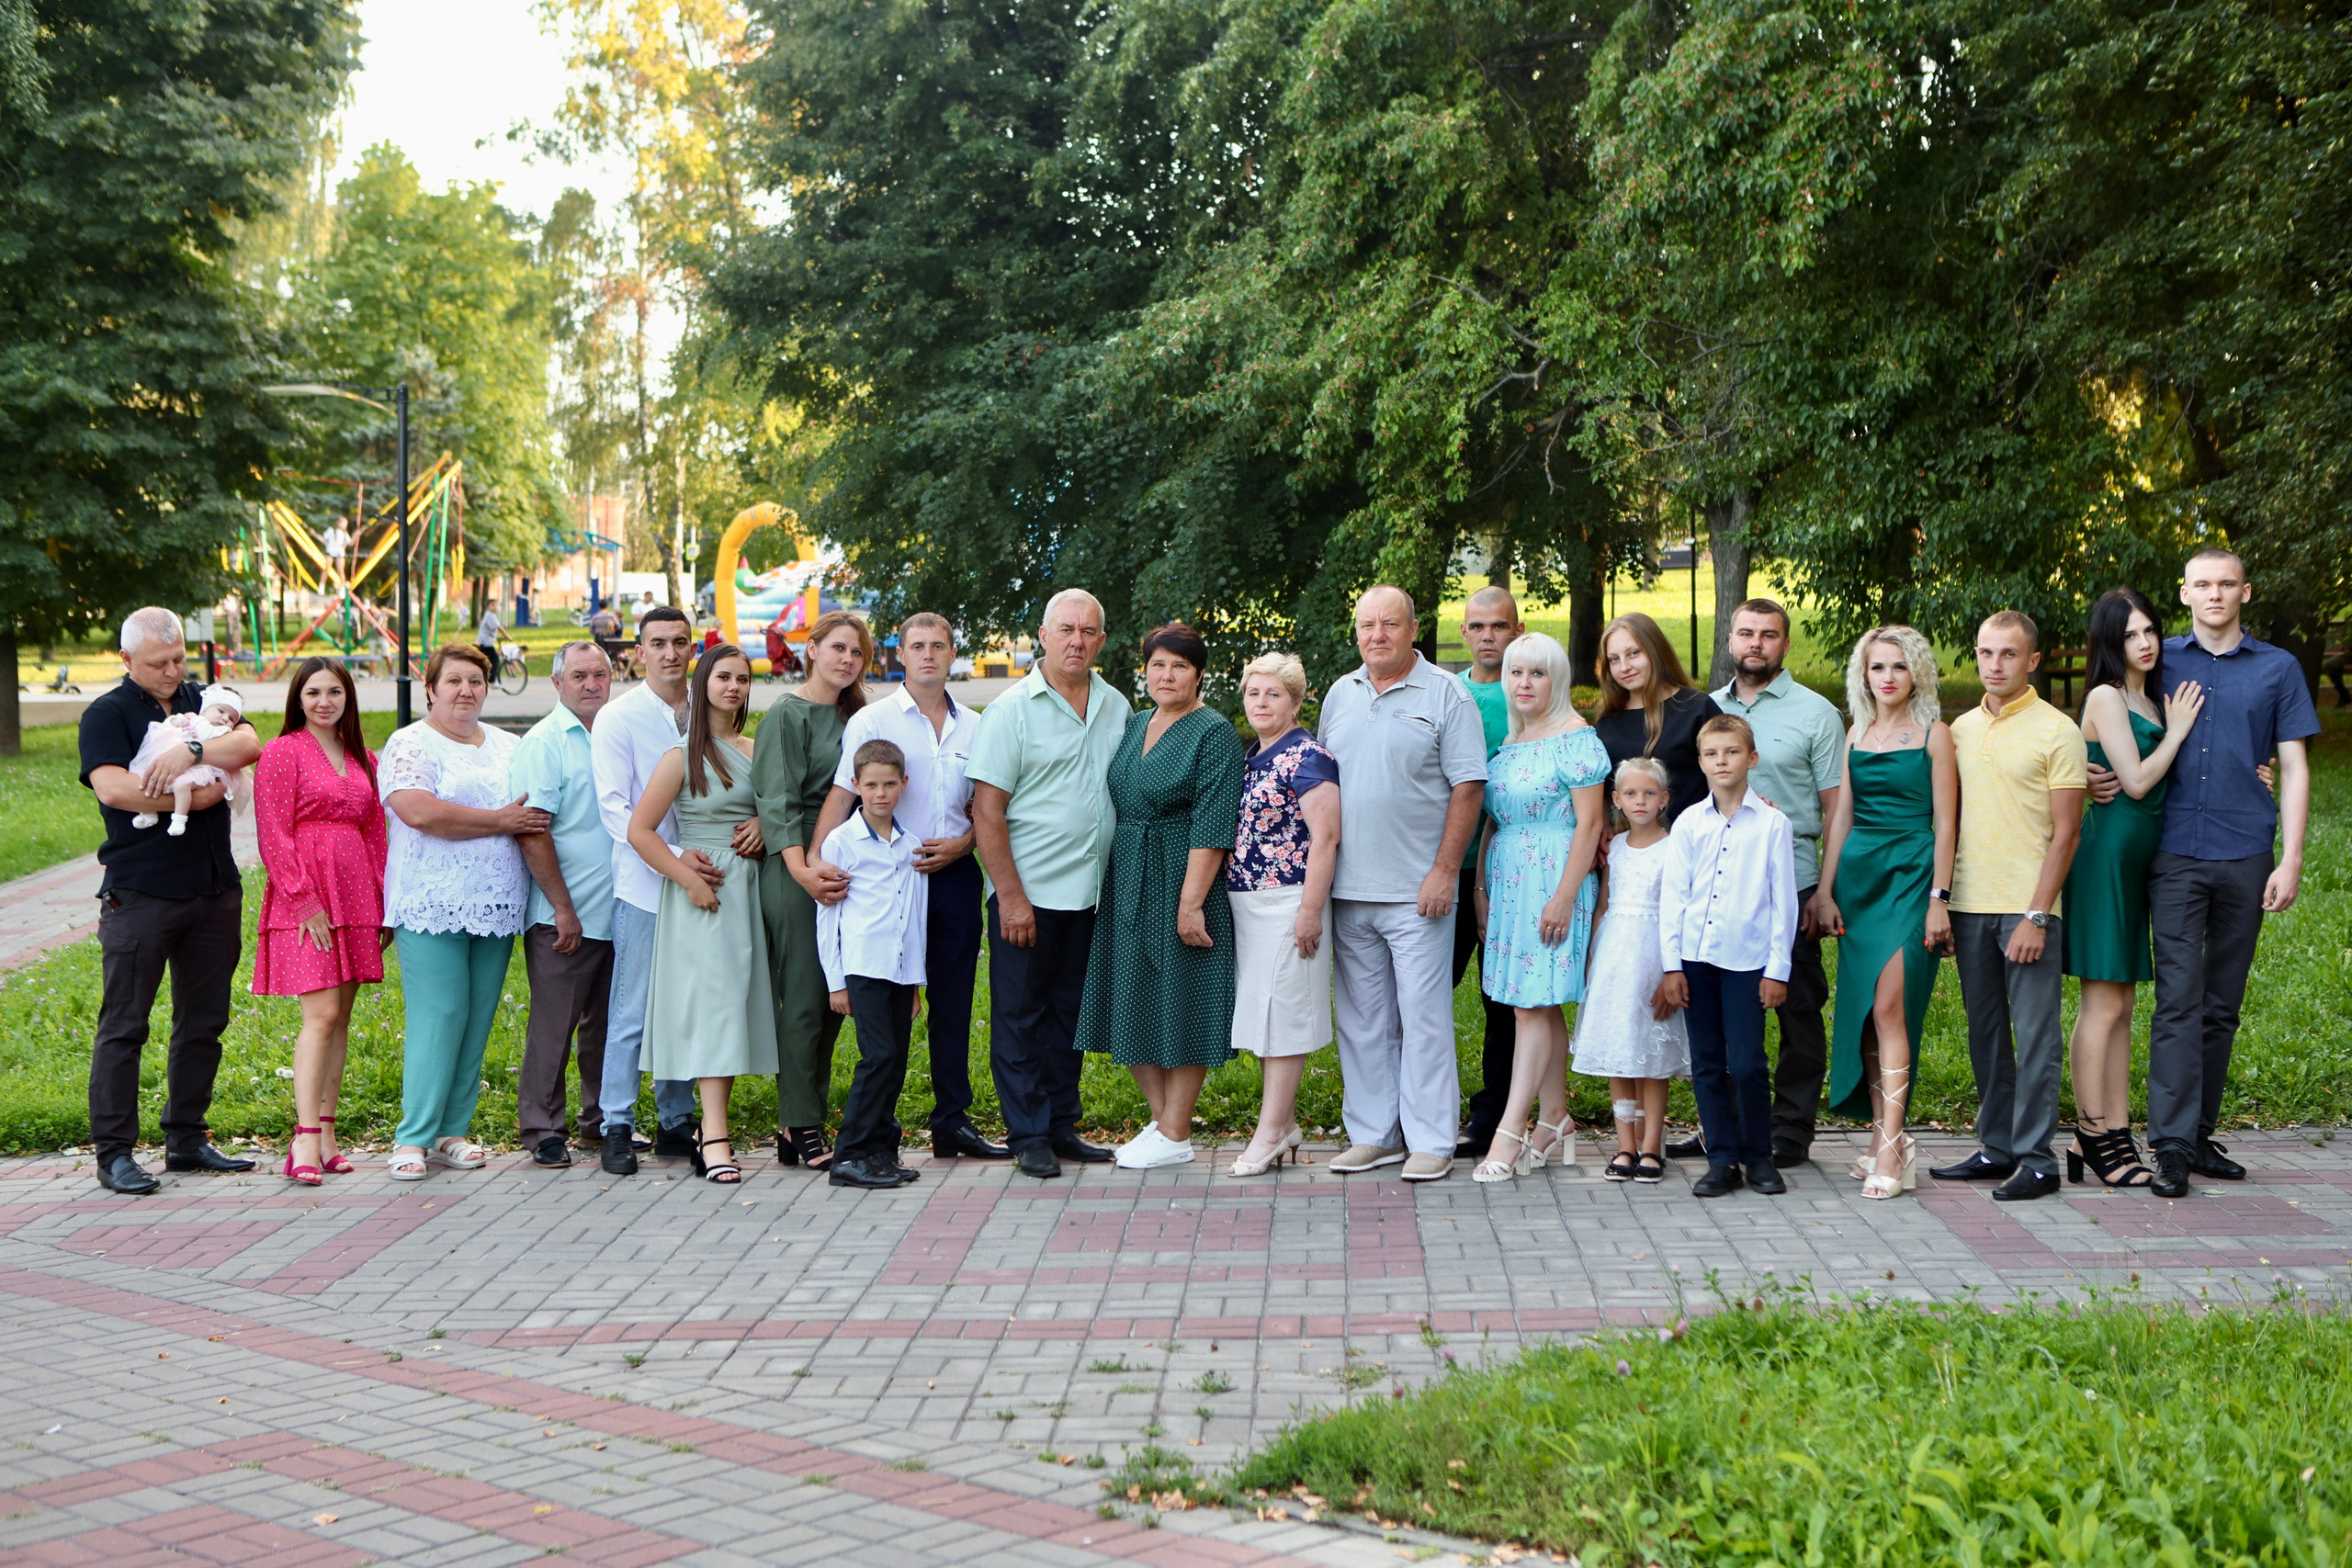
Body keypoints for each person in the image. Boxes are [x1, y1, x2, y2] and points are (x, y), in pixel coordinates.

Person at [2123, 548, 2317, 1198]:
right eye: (2202, 584)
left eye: (2225, 584)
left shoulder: (2279, 669)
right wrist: (2099, 772)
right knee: (2178, 998)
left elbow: (2292, 765)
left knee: (2221, 1004)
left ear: (2245, 592)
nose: (2214, 594)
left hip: (2245, 851)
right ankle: (2170, 1146)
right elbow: (2111, 710)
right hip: (2174, 850)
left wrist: (2290, 857)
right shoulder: (2158, 658)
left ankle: (2199, 1134)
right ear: (2183, 593)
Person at [79, 607, 264, 1195]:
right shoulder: (106, 714)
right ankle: (114, 1154)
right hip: (140, 892)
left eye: (179, 658)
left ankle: (186, 1138)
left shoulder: (200, 699)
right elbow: (113, 787)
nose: (172, 671)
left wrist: (190, 754)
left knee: (203, 1021)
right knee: (125, 1025)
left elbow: (249, 742)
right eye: (159, 663)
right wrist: (200, 798)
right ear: (127, 660)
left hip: (213, 888)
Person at [808, 613, 1005, 1158]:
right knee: (891, 1014)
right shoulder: (872, 720)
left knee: (954, 999)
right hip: (890, 881)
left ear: (951, 652)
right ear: (900, 653)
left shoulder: (975, 725)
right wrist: (812, 861)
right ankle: (877, 1134)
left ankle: (952, 1120)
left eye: (938, 645)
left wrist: (965, 845)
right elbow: (843, 793)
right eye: (916, 646)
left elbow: (983, 808)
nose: (927, 655)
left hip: (954, 877)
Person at [1317, 585, 1489, 1182]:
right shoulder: (1341, 694)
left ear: (1414, 628)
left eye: (1390, 624)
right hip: (1348, 888)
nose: (1378, 635)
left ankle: (1432, 1140)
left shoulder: (1447, 694)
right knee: (1363, 1020)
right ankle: (1374, 1134)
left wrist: (1445, 870)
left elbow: (1468, 786)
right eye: (1367, 624)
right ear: (1356, 630)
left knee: (1423, 1018)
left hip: (1418, 891)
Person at [967, 589, 1131, 1179]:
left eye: (1088, 631)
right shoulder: (1011, 710)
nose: (1076, 640)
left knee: (1069, 1016)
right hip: (1027, 896)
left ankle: (1062, 1124)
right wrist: (1009, 896)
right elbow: (987, 809)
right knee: (1018, 1017)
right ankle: (1028, 1133)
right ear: (1042, 634)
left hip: (1090, 894)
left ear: (1102, 640)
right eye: (1066, 629)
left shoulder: (1116, 705)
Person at [1075, 623, 1247, 1170]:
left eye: (1179, 666)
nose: (1166, 675)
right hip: (1128, 874)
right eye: (1157, 665)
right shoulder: (1136, 722)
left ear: (1199, 674)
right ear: (1144, 671)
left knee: (1183, 994)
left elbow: (1214, 820)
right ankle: (1166, 1125)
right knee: (1129, 994)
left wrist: (1191, 902)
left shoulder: (1213, 731)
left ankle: (1175, 1127)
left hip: (1183, 874)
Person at [1929, 612, 2086, 1202]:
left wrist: (2038, 914)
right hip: (1968, 905)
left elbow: (2066, 833)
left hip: (2028, 910)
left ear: (2033, 661)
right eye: (1986, 653)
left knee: (2037, 1034)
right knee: (1986, 1033)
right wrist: (1941, 901)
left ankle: (2037, 1158)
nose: (1995, 665)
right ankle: (1996, 1146)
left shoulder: (2057, 731)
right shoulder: (1959, 730)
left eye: (2009, 655)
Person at [379, 645, 549, 1180]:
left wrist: (511, 822)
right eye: (453, 680)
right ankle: (412, 1137)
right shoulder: (409, 743)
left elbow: (534, 811)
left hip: (497, 902)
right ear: (431, 689)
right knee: (440, 1014)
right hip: (430, 900)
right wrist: (501, 820)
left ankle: (453, 1130)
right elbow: (419, 811)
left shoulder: (508, 745)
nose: (465, 690)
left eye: (475, 680)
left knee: (476, 1018)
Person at [2060, 589, 2203, 1188]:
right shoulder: (2106, 695)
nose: (2144, 643)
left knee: (2122, 1003)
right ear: (2110, 645)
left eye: (2150, 631)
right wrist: (2178, 731)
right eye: (2130, 636)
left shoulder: (2147, 694)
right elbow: (2138, 781)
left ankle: (2110, 1130)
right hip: (2105, 856)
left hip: (2139, 860)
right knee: (2102, 1002)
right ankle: (2094, 1132)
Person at [1809, 626, 1955, 1201]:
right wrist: (1825, 892)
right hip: (1860, 880)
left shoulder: (1935, 735)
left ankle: (1893, 1146)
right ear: (1864, 675)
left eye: (1898, 666)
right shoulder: (1857, 733)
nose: (1887, 677)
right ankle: (1882, 1137)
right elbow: (1841, 818)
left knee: (1892, 1004)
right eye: (1877, 668)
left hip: (1913, 873)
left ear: (1915, 671)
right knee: (1869, 1011)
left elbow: (1948, 823)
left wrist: (1939, 899)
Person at [630, 645, 776, 1185]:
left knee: (734, 1007)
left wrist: (763, 822)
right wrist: (687, 878)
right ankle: (714, 1134)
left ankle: (708, 1129)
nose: (734, 686)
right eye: (723, 677)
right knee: (714, 1009)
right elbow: (639, 831)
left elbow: (779, 810)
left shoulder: (757, 749)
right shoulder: (680, 757)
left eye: (742, 678)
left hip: (750, 890)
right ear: (702, 685)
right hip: (705, 893)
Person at [1468, 632, 1610, 1182]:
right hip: (1507, 882)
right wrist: (1480, 892)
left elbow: (1592, 824)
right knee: (1539, 1002)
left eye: (1537, 674)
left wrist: (1565, 896)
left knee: (1529, 1006)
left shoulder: (1576, 739)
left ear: (1557, 681)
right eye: (1515, 673)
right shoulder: (1509, 741)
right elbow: (1493, 822)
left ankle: (1510, 1130)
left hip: (1555, 877)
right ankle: (1556, 1119)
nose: (1523, 684)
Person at [1707, 599, 1843, 1168]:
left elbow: (1839, 811)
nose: (1756, 644)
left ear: (1785, 645)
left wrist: (1825, 891)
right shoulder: (1705, 711)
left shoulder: (1816, 714)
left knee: (1798, 1010)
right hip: (1721, 891)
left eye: (1768, 635)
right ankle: (1732, 1125)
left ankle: (1789, 1130)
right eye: (1746, 633)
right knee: (1724, 1013)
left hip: (1796, 884)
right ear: (1731, 641)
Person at [252, 658, 388, 1185]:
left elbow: (376, 834)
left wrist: (381, 903)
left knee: (342, 1018)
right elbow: (273, 834)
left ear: (348, 698)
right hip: (305, 896)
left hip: (356, 897)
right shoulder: (283, 752)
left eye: (335, 692)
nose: (324, 701)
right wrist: (305, 901)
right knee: (322, 1014)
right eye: (313, 692)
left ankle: (328, 1133)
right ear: (298, 698)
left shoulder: (362, 758)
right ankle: (303, 1138)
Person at [591, 606, 713, 1174]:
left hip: (702, 881)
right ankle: (617, 1121)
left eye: (680, 643)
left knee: (683, 1005)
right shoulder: (618, 719)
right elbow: (616, 811)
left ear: (693, 649)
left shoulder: (707, 715)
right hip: (643, 885)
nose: (670, 653)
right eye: (658, 643)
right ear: (638, 652)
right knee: (633, 1008)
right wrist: (672, 861)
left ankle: (675, 1120)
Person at [1657, 714, 1798, 1198]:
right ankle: (1721, 1159)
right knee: (1708, 1063)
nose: (1722, 761)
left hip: (1749, 962)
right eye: (1712, 754)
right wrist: (1672, 965)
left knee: (1749, 1064)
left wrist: (1777, 970)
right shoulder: (1689, 824)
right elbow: (1673, 898)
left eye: (1732, 752)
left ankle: (1759, 1156)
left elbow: (1784, 903)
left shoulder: (1774, 825)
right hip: (1697, 960)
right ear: (1700, 762)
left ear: (1751, 759)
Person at [752, 609, 871, 1169]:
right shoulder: (787, 714)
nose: (847, 660)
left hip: (844, 864)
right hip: (795, 861)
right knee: (801, 996)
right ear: (813, 649)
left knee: (833, 998)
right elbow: (776, 801)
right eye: (838, 648)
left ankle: (799, 1120)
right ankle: (800, 1123)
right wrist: (801, 871)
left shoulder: (857, 716)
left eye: (857, 653)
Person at [1225, 651, 1340, 1178]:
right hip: (1250, 907)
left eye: (1274, 694)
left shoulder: (1308, 756)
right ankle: (1286, 1122)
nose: (1262, 702)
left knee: (1284, 1016)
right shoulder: (1255, 754)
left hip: (1290, 902)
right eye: (1254, 693)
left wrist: (1310, 910)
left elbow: (1327, 837)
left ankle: (1269, 1133)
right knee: (1264, 1015)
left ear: (1296, 702)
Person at [509, 641, 619, 1168]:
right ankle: (542, 1128)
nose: (591, 683)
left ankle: (600, 1121)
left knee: (607, 1025)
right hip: (565, 916)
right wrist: (562, 909)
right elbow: (533, 832)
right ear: (557, 683)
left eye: (600, 673)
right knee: (555, 1025)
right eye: (579, 675)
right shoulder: (546, 742)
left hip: (619, 908)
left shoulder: (616, 734)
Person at [1568, 757, 1688, 1184]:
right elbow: (1602, 906)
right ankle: (1626, 1144)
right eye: (1631, 794)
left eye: (1649, 793)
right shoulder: (1614, 847)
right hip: (1615, 958)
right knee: (1621, 1051)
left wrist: (1671, 972)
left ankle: (1653, 1145)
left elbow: (1680, 912)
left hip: (1654, 956)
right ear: (1616, 800)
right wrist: (1590, 962)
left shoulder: (1675, 847)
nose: (1640, 801)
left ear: (1664, 799)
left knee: (1653, 1056)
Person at [817, 739, 929, 1189]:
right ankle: (849, 1155)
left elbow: (915, 916)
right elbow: (829, 918)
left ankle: (882, 1151)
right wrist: (835, 981)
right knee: (878, 1056)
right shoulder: (842, 843)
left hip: (902, 970)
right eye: (871, 785)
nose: (880, 793)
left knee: (897, 1060)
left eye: (888, 784)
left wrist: (917, 982)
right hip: (863, 967)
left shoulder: (911, 845)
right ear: (855, 785)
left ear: (904, 784)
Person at [1451, 585, 1531, 1160]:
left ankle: (1497, 1114)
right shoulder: (1449, 694)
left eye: (1498, 627)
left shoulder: (1528, 694)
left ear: (1516, 629)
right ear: (1463, 633)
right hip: (1448, 867)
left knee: (1503, 1000)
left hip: (1514, 872)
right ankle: (1421, 1110)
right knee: (1429, 992)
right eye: (1477, 627)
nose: (1487, 637)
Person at [1593, 613, 1721, 825]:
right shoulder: (1606, 725)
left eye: (1634, 653)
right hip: (1628, 849)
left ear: (1655, 651)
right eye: (1614, 659)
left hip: (1693, 843)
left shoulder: (1697, 709)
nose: (1624, 667)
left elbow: (1726, 778)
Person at [124, 684, 247, 836]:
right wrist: (176, 721)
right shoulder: (191, 718)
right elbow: (166, 726)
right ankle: (148, 813)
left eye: (231, 719)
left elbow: (206, 734)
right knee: (147, 778)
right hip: (169, 760)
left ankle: (179, 819)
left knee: (182, 786)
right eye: (221, 711)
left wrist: (196, 719)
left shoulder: (221, 730)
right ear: (206, 709)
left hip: (197, 769)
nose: (224, 718)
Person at [477, 601, 503, 675]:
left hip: (484, 642)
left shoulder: (488, 615)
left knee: (484, 662)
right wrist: (508, 637)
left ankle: (486, 678)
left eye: (496, 605)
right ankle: (492, 680)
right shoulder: (490, 615)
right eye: (492, 605)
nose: (495, 607)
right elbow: (499, 627)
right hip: (486, 643)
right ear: (488, 606)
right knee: (495, 660)